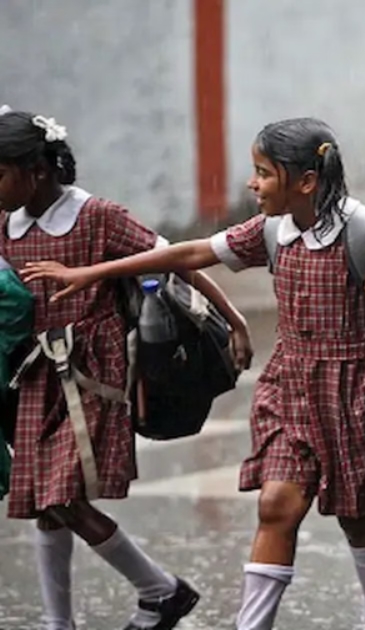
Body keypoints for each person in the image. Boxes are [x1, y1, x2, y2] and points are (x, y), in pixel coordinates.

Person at [22, 117, 365, 630]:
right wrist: (92, 273)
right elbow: (193, 252)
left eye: (262, 173)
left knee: (359, 515)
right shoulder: (270, 232)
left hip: (361, 390)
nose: (251, 184)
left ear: (305, 181)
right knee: (277, 505)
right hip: (293, 388)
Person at [0, 107, 251, 629]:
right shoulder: (7, 224)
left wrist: (234, 321)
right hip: (33, 377)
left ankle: (160, 589)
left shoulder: (97, 216)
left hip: (92, 375)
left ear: (36, 168)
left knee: (62, 497)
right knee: (46, 505)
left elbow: (176, 258)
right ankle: (60, 621)